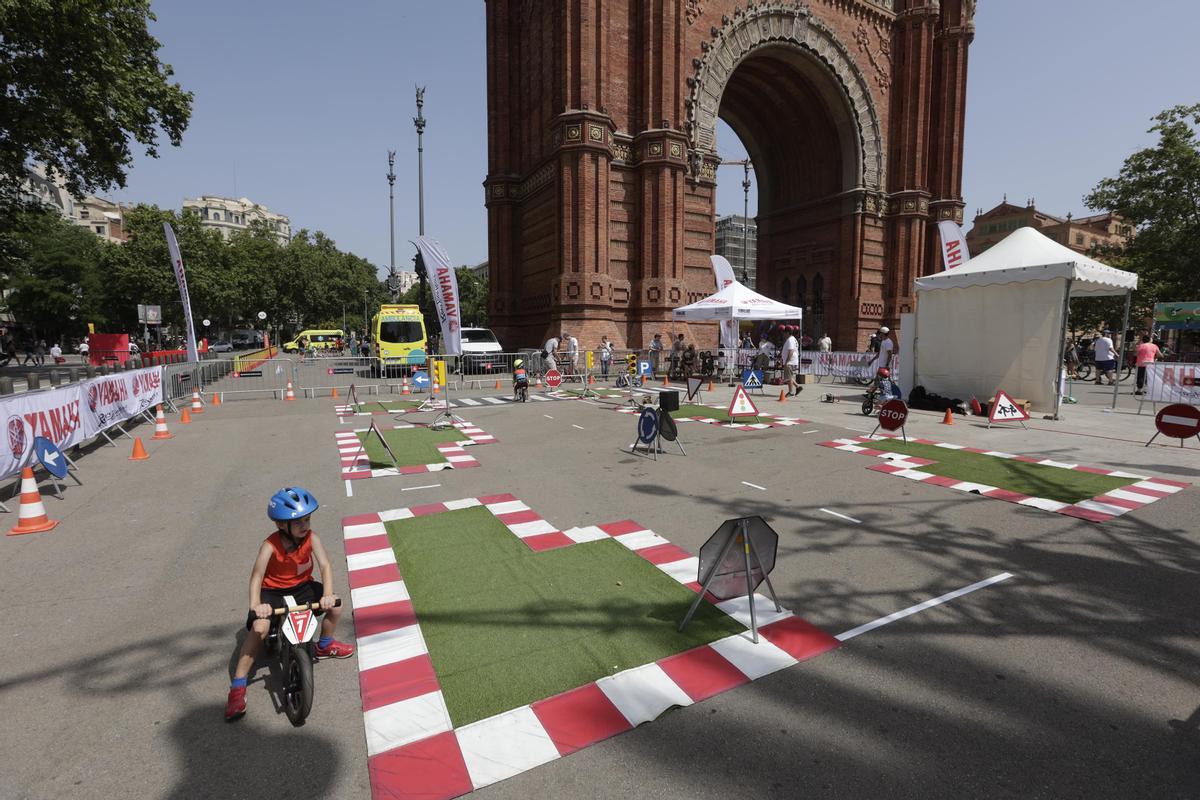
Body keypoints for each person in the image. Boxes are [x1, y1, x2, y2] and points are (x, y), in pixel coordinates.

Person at [226, 487, 354, 722]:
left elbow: (324, 565)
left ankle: (324, 645)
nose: (305, 525)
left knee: (335, 606)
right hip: (272, 591)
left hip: (302, 587)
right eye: (298, 522)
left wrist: (326, 594)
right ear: (281, 525)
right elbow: (256, 576)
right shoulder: (270, 546)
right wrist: (256, 605)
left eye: (307, 519)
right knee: (260, 629)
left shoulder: (311, 538)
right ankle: (238, 686)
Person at [781, 328, 801, 396]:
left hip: (790, 361)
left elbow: (791, 351)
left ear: (788, 333)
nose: (783, 334)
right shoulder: (793, 339)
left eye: (784, 332)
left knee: (788, 377)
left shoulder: (790, 340)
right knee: (790, 376)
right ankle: (798, 387)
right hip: (792, 361)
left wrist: (787, 361)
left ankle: (791, 392)